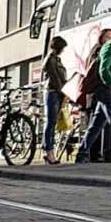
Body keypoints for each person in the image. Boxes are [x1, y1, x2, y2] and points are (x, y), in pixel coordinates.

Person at [76, 34, 111, 163]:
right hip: (106, 89)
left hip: (109, 89)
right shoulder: (110, 46)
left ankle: (81, 154)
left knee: (96, 124)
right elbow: (104, 70)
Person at [41, 36, 68, 165]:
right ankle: (49, 152)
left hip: (57, 92)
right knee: (50, 123)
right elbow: (55, 78)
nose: (63, 51)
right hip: (53, 92)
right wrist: (63, 91)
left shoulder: (56, 59)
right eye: (62, 48)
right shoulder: (50, 59)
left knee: (52, 123)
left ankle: (47, 151)